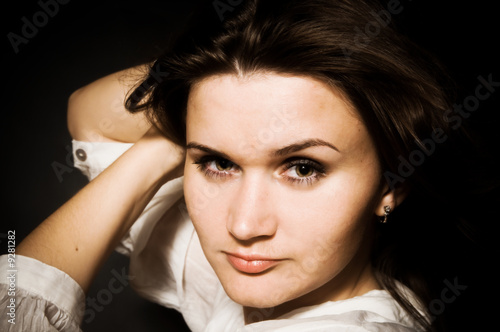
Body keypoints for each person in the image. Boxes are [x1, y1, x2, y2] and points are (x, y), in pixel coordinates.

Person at [0, 0, 495, 331]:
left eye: (302, 168)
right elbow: (90, 113)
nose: (242, 225)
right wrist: (189, 132)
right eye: (218, 163)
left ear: (393, 181)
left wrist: (201, 140)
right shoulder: (276, 276)